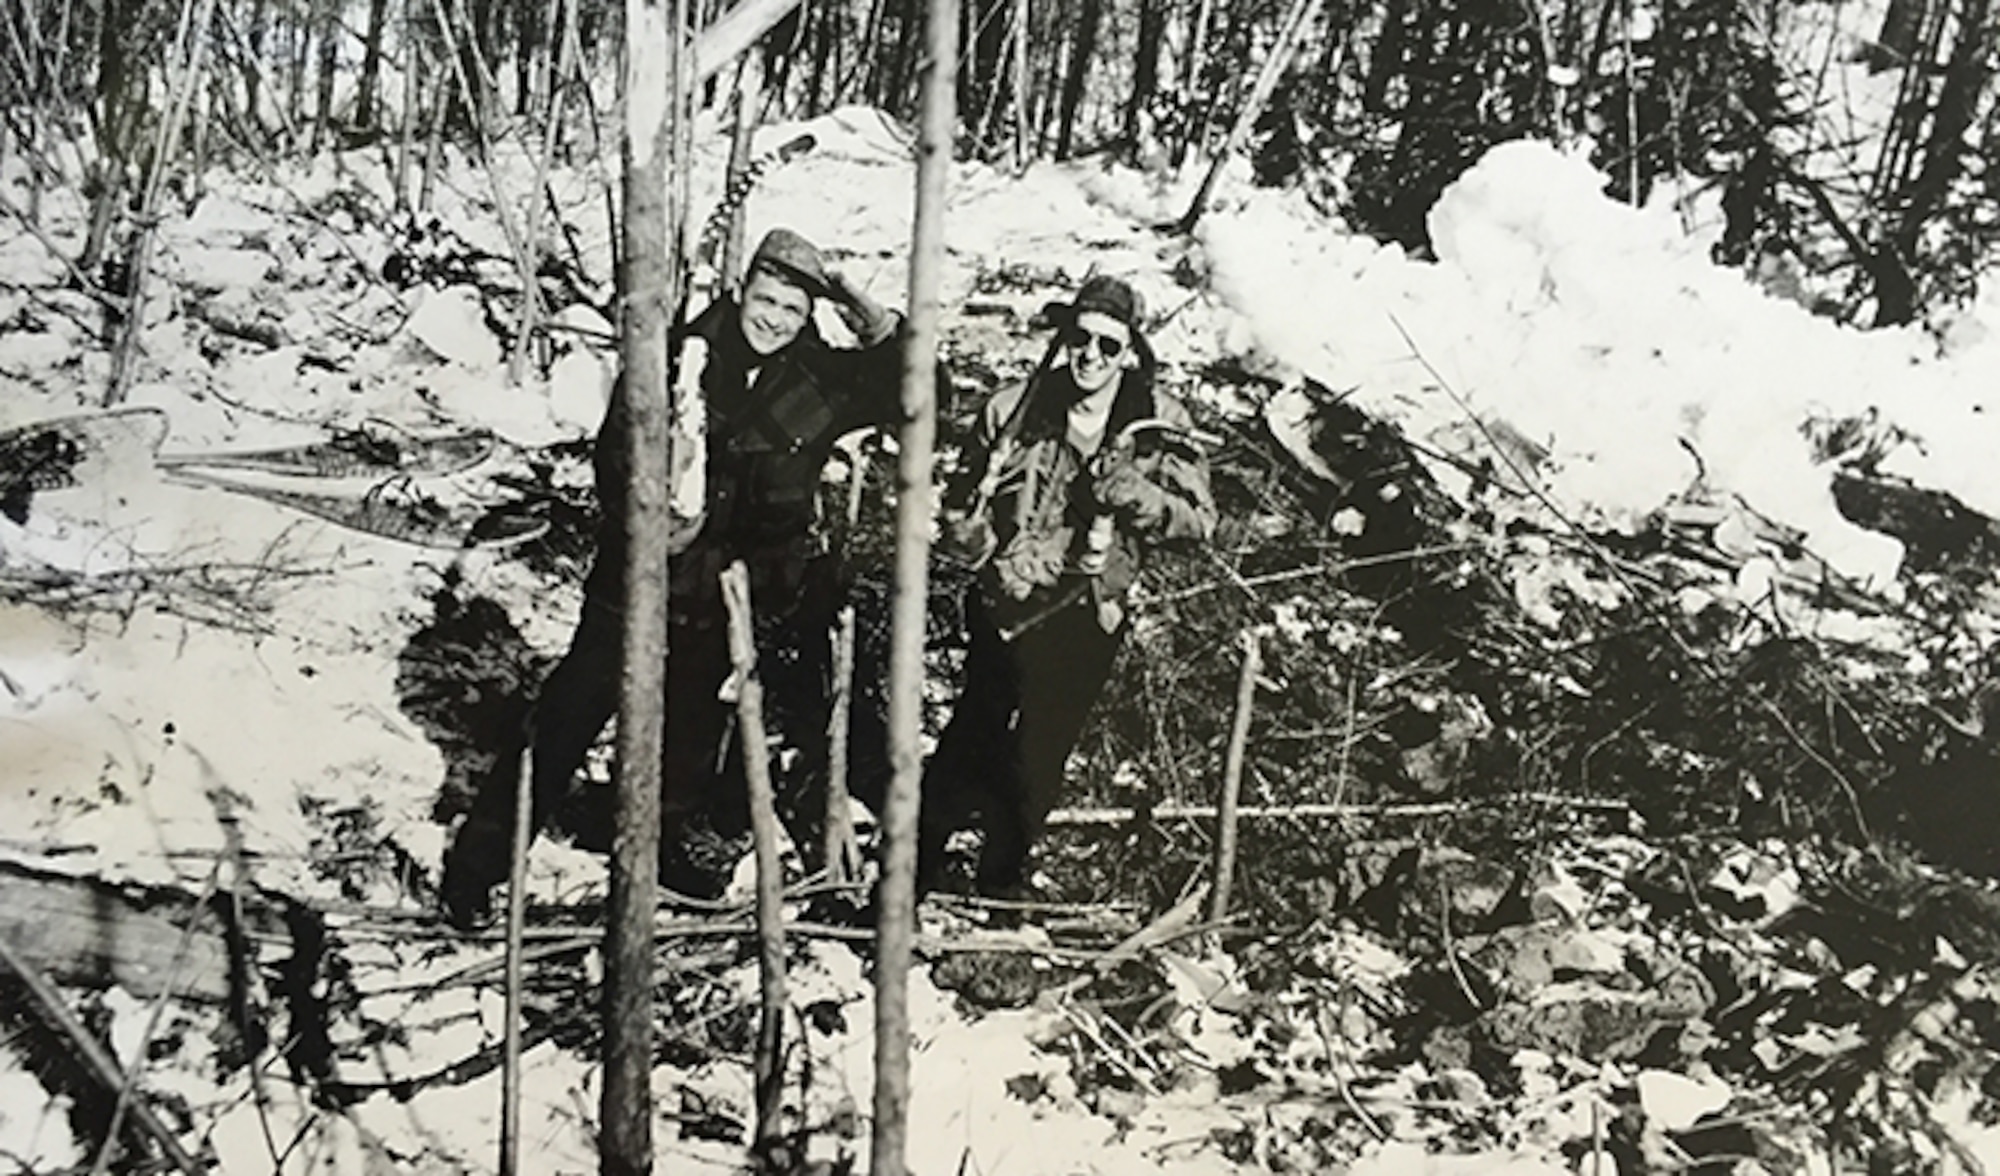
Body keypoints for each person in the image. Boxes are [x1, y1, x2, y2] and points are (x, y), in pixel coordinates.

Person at [440, 228, 904, 928]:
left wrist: (864, 310)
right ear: (741, 289)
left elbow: (920, 390)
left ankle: (657, 879)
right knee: (565, 719)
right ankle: (477, 868)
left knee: (687, 742)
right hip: (638, 582)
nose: (774, 319)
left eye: (794, 309)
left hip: (725, 601)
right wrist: (660, 514)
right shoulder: (679, 354)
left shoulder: (817, 376)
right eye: (766, 299)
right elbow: (612, 463)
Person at [924, 274, 1216, 896]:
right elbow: (961, 500)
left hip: (1088, 610)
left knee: (1042, 749)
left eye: (1108, 346)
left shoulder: (1160, 425)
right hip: (1009, 598)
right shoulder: (1014, 407)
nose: (1090, 356)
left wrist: (1138, 497)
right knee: (973, 729)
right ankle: (915, 868)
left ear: (1130, 352)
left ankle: (1000, 882)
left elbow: (1200, 522)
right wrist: (973, 543)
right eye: (1080, 339)